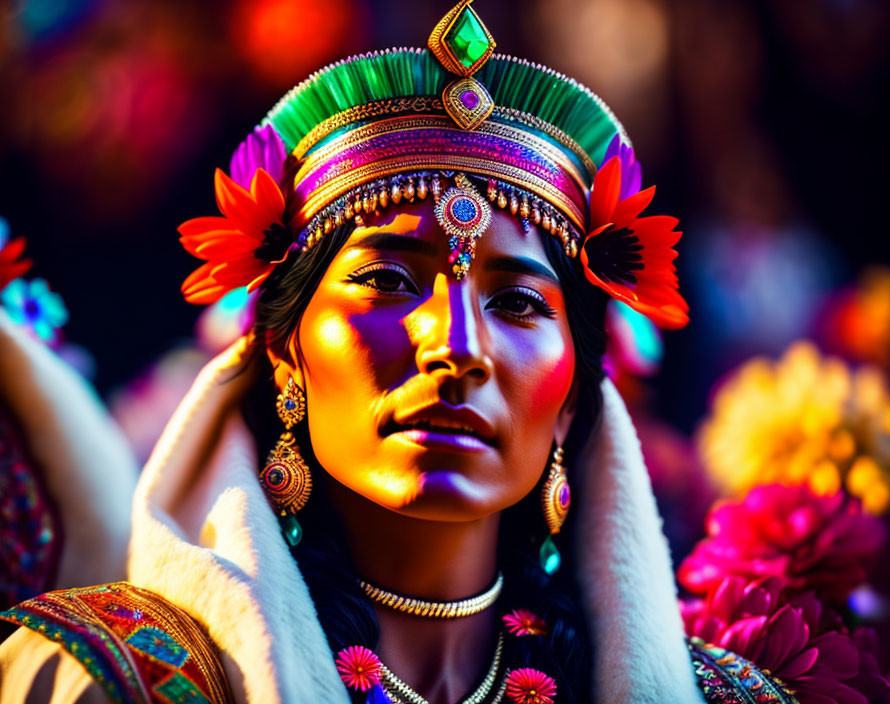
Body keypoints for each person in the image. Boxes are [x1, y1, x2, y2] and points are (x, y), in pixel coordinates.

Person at [0, 3, 798, 702]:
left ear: (574, 402)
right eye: (385, 281)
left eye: (517, 302)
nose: (456, 347)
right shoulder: (105, 682)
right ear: (284, 354)